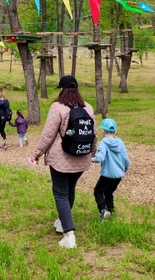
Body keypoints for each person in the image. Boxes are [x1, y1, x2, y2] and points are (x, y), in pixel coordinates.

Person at [30, 75, 96, 249]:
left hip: (61, 158)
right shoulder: (87, 107)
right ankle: (62, 222)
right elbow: (93, 134)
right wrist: (92, 153)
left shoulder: (57, 107)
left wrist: (36, 154)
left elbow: (48, 134)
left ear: (61, 89)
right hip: (82, 156)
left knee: (60, 193)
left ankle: (69, 235)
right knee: (69, 190)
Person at [92, 118, 130, 221]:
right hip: (118, 175)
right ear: (116, 131)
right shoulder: (120, 142)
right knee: (109, 192)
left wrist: (90, 159)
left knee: (98, 191)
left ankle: (103, 210)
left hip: (107, 175)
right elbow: (126, 159)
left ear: (103, 131)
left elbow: (100, 157)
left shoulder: (104, 143)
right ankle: (111, 210)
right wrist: (124, 169)